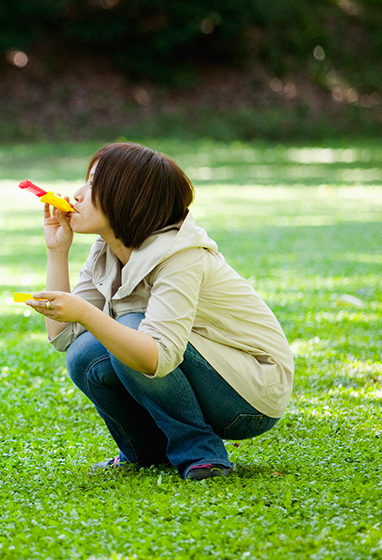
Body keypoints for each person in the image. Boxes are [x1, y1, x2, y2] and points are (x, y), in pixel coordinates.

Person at [27, 142, 293, 480]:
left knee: (132, 326)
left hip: (248, 396)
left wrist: (86, 313)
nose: (78, 194)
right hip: (199, 369)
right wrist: (57, 251)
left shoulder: (182, 256)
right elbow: (64, 337)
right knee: (84, 355)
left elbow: (158, 357)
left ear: (129, 197)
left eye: (94, 184)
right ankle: (144, 453)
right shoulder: (106, 251)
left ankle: (202, 454)